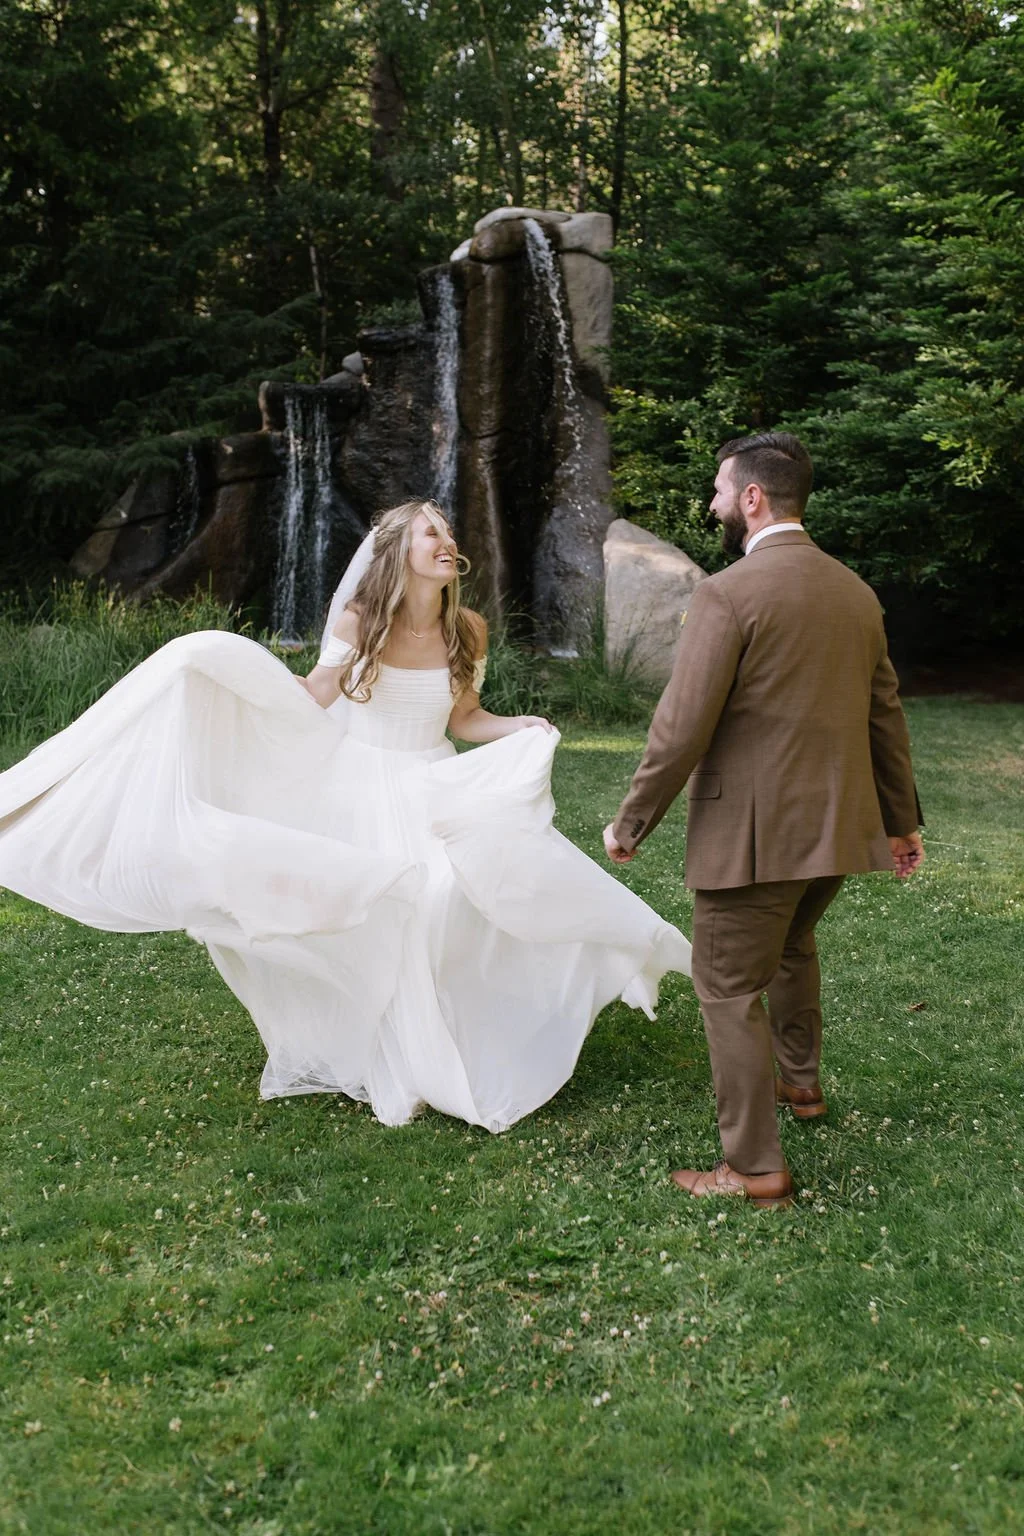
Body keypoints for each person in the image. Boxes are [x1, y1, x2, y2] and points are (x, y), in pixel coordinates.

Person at [0, 499, 690, 1132]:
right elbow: (317, 694)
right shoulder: (360, 619)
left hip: (430, 776)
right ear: (398, 550)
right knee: (386, 908)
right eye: (432, 533)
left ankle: (453, 1034)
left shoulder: (466, 630)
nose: (448, 542)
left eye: (450, 534)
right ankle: (387, 1053)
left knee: (462, 893)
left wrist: (521, 726)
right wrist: (234, 682)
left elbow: (465, 718)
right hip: (358, 781)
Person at [603, 434, 923, 1209]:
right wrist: (901, 821)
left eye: (719, 490)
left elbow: (682, 728)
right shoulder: (854, 591)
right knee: (791, 948)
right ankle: (801, 1086)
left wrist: (632, 821)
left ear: (752, 499)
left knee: (724, 988)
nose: (713, 503)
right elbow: (886, 715)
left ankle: (753, 1168)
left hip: (755, 838)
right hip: (838, 831)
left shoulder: (729, 592)